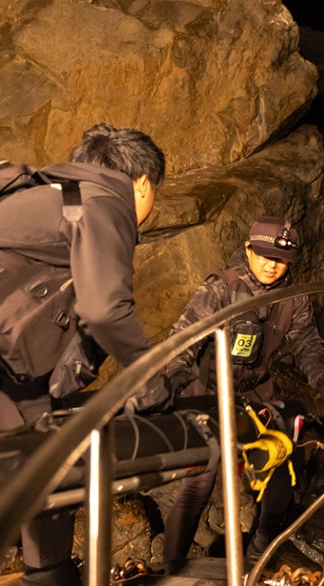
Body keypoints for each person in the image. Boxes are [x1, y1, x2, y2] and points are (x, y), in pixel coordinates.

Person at [0, 122, 166, 586]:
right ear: (143, 183)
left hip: (12, 373)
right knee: (40, 470)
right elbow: (106, 310)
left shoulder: (53, 193)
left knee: (46, 468)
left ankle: (49, 574)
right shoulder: (105, 203)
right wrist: (154, 380)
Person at [144, 217, 324, 573]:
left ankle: (260, 547)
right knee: (198, 484)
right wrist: (176, 378)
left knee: (281, 459)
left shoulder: (294, 297)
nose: (270, 264)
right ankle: (172, 567)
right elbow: (185, 336)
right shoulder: (222, 287)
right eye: (262, 255)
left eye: (279, 259)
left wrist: (323, 378)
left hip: (253, 396)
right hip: (208, 394)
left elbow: (307, 343)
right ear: (248, 249)